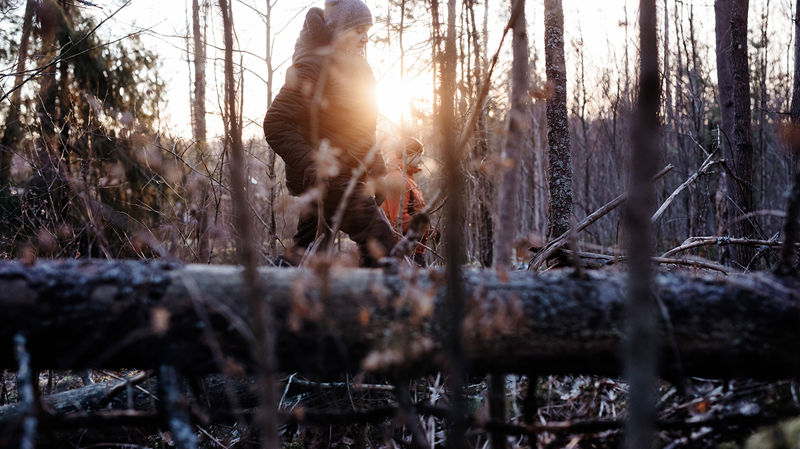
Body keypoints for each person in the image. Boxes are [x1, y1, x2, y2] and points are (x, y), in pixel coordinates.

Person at [264, 0, 395, 267]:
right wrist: (315, 163)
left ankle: (275, 297)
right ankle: (380, 306)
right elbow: (275, 122)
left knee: (305, 255)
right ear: (339, 31)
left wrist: (377, 169)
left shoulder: (357, 68)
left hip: (346, 175)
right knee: (382, 245)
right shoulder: (311, 66)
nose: (365, 39)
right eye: (358, 31)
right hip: (331, 179)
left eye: (367, 31)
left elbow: (360, 127)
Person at [381, 137, 434, 267]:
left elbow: (413, 211)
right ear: (408, 155)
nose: (421, 160)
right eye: (419, 155)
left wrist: (431, 230)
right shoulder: (398, 179)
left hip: (414, 249)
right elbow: (397, 220)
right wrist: (424, 227)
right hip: (406, 252)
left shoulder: (407, 178)